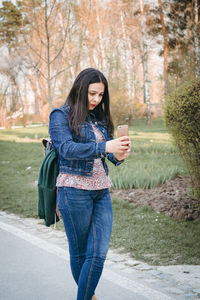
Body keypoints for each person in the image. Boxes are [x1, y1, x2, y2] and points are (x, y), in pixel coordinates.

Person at [49, 68, 131, 300]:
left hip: (101, 191)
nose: (96, 99)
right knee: (80, 253)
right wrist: (105, 147)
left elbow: (109, 155)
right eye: (92, 93)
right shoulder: (60, 115)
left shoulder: (100, 118)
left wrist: (119, 154)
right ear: (80, 89)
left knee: (98, 254)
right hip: (73, 192)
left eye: (100, 95)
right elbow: (66, 149)